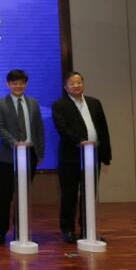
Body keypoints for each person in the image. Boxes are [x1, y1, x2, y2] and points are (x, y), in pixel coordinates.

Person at [52, 71, 112, 243]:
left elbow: (103, 129)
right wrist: (79, 141)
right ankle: (68, 229)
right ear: (66, 87)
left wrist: (106, 153)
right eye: (72, 83)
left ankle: (87, 229)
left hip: (92, 156)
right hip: (70, 156)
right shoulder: (60, 105)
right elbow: (62, 128)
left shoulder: (94, 103)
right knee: (69, 194)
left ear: (83, 84)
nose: (76, 86)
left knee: (89, 193)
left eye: (79, 82)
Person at [0, 70, 45, 246]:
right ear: (8, 84)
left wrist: (40, 153)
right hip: (8, 156)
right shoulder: (0, 103)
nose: (18, 86)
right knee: (5, 196)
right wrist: (15, 143)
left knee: (24, 195)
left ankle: (21, 230)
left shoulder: (33, 103)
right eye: (14, 83)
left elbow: (38, 129)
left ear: (26, 84)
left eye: (21, 82)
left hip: (30, 155)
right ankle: (0, 232)